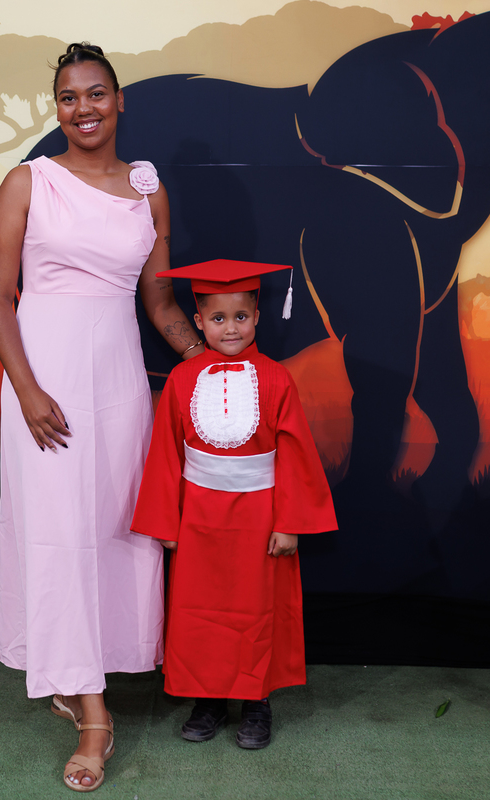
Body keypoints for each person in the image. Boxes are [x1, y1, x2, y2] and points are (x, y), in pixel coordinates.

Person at [0, 43, 204, 792]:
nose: (84, 108)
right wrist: (26, 389)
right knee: (57, 534)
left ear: (119, 100)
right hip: (44, 383)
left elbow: (159, 303)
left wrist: (209, 362)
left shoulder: (148, 191)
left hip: (118, 384)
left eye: (97, 93)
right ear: (57, 108)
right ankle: (94, 719)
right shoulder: (27, 181)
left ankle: (77, 675)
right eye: (69, 97)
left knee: (114, 528)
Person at [130, 259, 338, 750]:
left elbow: (295, 456)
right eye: (218, 318)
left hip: (259, 517)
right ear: (198, 321)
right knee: (199, 610)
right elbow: (165, 455)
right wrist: (167, 523)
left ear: (257, 316)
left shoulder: (277, 379)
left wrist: (289, 523)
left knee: (256, 610)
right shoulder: (182, 379)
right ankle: (207, 700)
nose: (230, 328)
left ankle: (256, 701)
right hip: (197, 518)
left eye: (241, 317)